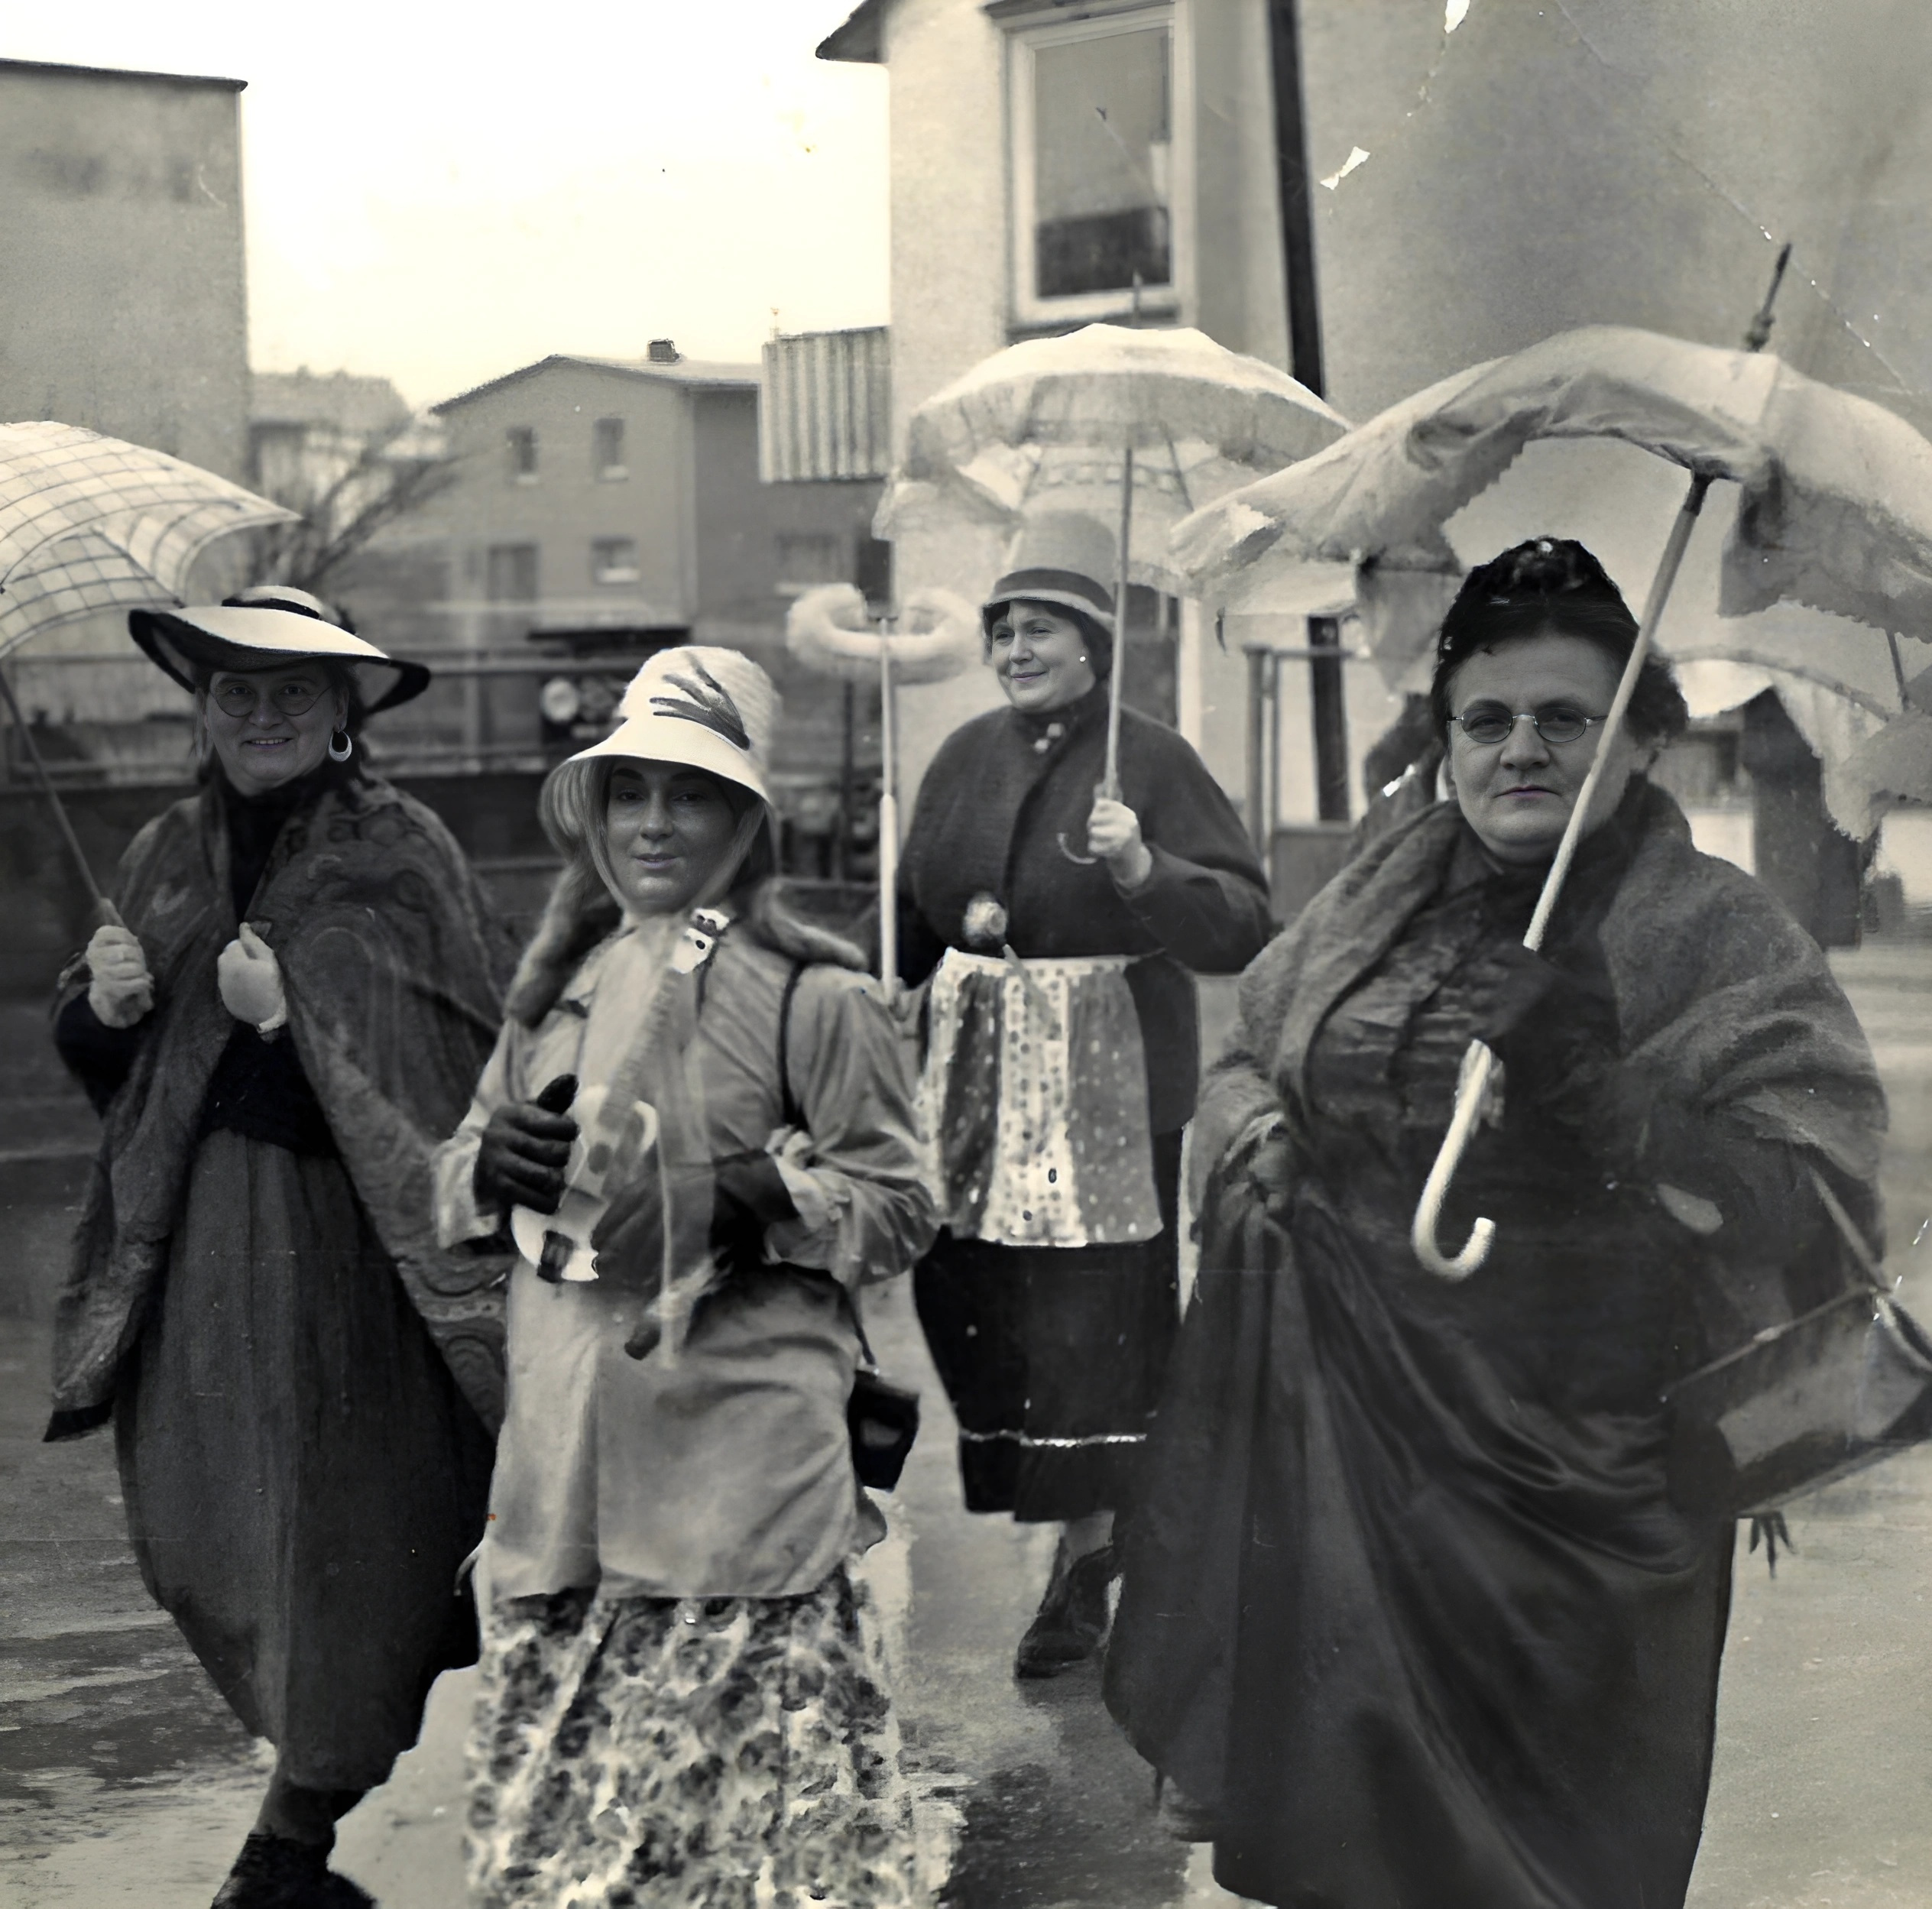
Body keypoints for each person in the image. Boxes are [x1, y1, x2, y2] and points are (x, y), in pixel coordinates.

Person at [1103, 537, 1890, 1908]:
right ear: (1447, 737)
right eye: (1487, 719)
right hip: (1349, 1463)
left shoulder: (1721, 935)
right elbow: (1248, 1063)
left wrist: (1611, 1097)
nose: (1520, 749)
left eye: (1565, 719)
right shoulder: (1367, 904)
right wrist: (1273, 1149)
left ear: (1642, 737)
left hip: (1585, 1500)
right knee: (1352, 1862)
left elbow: (1814, 1207)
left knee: (1545, 1871)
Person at [436, 646, 936, 1908]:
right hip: (562, 1509)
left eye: (690, 793)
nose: (654, 821)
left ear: (744, 818)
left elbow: (906, 1205)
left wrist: (752, 1196)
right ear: (595, 813)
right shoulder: (556, 991)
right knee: (560, 1880)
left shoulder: (816, 996)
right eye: (630, 792)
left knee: (754, 1878)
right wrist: (486, 1164)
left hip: (738, 1523)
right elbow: (450, 1189)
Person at [47, 588, 509, 1909]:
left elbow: (450, 1063)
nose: (262, 716)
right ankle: (334, 1746)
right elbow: (118, 1075)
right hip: (196, 1246)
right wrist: (111, 1009)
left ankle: (292, 1828)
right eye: (236, 690)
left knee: (354, 1526)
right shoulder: (158, 851)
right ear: (201, 703)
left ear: (345, 713)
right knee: (212, 1528)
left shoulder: (403, 852)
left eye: (294, 692)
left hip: (360, 1258)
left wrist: (275, 1025)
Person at [895, 513, 1274, 1678]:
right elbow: (915, 911)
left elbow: (1243, 922)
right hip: (976, 1071)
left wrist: (1141, 866)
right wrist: (883, 981)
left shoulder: (1149, 759)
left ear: (1095, 644)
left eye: (1041, 626)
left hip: (1106, 1074)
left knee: (1087, 1309)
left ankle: (1089, 1550)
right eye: (1003, 627)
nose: (1015, 646)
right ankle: (1072, 1513)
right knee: (973, 1284)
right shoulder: (964, 752)